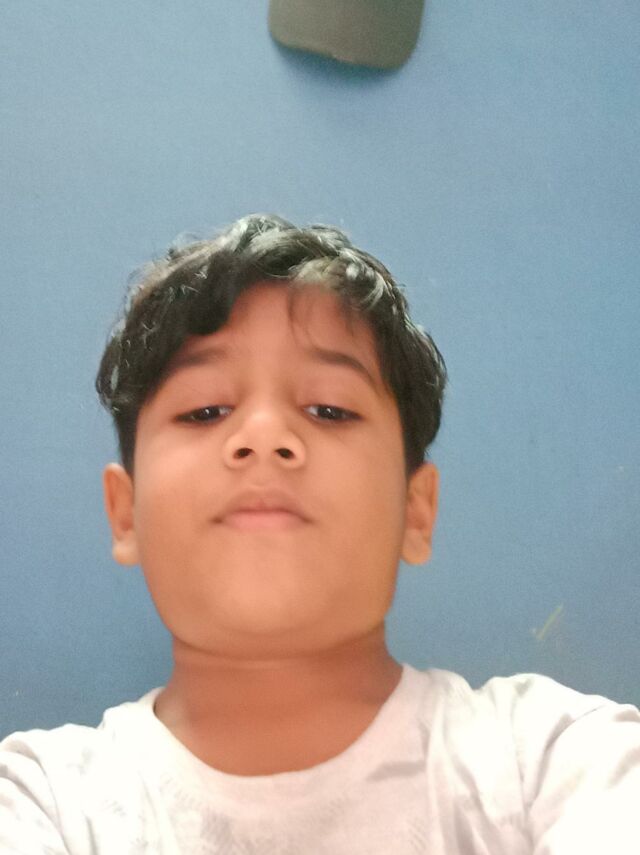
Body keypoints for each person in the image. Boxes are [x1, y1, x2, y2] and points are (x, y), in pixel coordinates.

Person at [0, 214, 638, 854]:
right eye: (205, 410)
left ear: (416, 511)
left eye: (329, 409)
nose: (264, 436)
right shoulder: (42, 802)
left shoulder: (554, 762)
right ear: (125, 512)